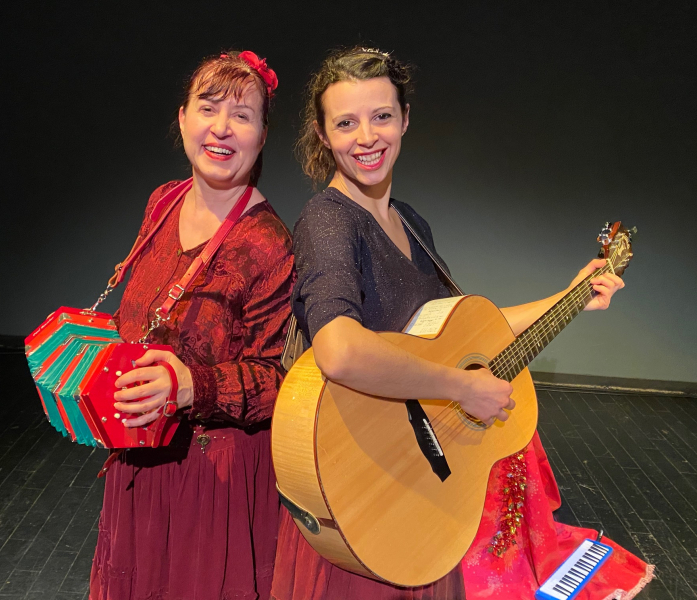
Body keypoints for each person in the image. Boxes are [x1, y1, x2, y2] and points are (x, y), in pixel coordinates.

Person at [271, 47, 653, 600]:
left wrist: (570, 297)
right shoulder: (329, 220)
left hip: (418, 483)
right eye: (346, 123)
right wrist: (461, 387)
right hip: (365, 475)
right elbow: (340, 351)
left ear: (405, 119)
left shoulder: (409, 221)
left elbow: (465, 334)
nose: (367, 137)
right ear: (322, 134)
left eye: (382, 116)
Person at [89, 50, 294, 600]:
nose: (221, 128)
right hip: (138, 452)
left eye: (242, 115)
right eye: (208, 108)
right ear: (182, 119)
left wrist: (190, 386)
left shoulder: (268, 242)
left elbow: (276, 380)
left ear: (262, 136)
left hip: (211, 476)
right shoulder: (163, 200)